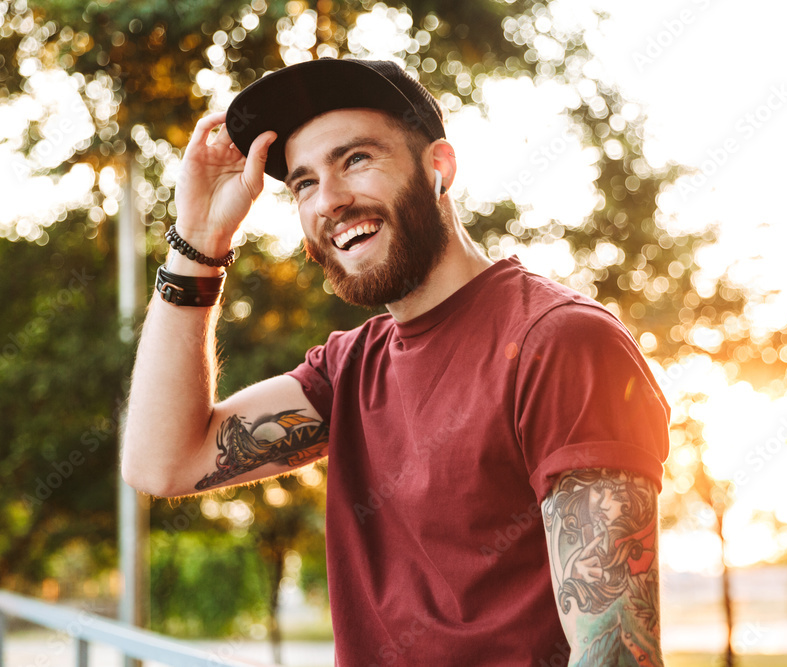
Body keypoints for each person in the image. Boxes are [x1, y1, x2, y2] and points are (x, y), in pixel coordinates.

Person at [121, 57, 670, 666]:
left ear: (439, 168)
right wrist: (198, 242)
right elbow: (162, 464)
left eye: (355, 159)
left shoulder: (559, 342)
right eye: (303, 183)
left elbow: (615, 654)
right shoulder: (349, 368)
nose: (329, 200)